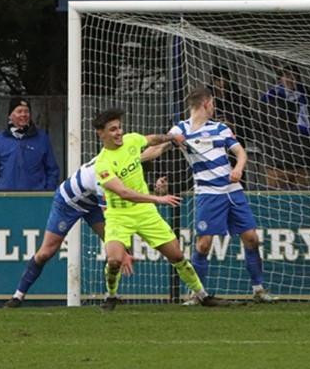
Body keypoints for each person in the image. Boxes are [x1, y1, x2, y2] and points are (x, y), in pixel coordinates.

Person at [2, 144, 170, 308]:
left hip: (93, 204)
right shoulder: (104, 173)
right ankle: (18, 295)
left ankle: (110, 296)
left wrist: (170, 141)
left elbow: (150, 153)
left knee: (116, 248)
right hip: (69, 203)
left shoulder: (125, 162)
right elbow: (111, 213)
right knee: (46, 252)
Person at [92, 107, 224, 310]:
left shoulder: (132, 140)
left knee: (177, 256)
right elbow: (124, 193)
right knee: (115, 260)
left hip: (145, 213)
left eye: (119, 128)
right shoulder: (102, 164)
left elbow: (151, 139)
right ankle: (111, 296)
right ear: (101, 134)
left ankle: (202, 295)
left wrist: (171, 137)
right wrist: (157, 199)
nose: (118, 133)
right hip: (119, 215)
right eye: (112, 130)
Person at [169, 87, 273, 304]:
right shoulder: (179, 130)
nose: (214, 107)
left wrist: (239, 169)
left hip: (232, 192)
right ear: (206, 103)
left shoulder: (221, 128)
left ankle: (259, 289)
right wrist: (137, 158)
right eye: (213, 104)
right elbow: (159, 148)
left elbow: (240, 153)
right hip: (207, 194)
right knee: (203, 244)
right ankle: (197, 294)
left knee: (252, 239)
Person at [260, 65, 310, 189]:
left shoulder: (308, 99)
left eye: (294, 76)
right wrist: (268, 149)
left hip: (303, 163)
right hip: (276, 163)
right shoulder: (269, 98)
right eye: (287, 75)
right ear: (280, 78)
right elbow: (258, 126)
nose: (290, 79)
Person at [0, 97, 59, 190]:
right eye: (19, 111)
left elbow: (52, 169)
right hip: (6, 198)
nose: (24, 114)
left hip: (35, 198)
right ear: (10, 115)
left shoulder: (42, 138)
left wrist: (48, 192)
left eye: (26, 111)